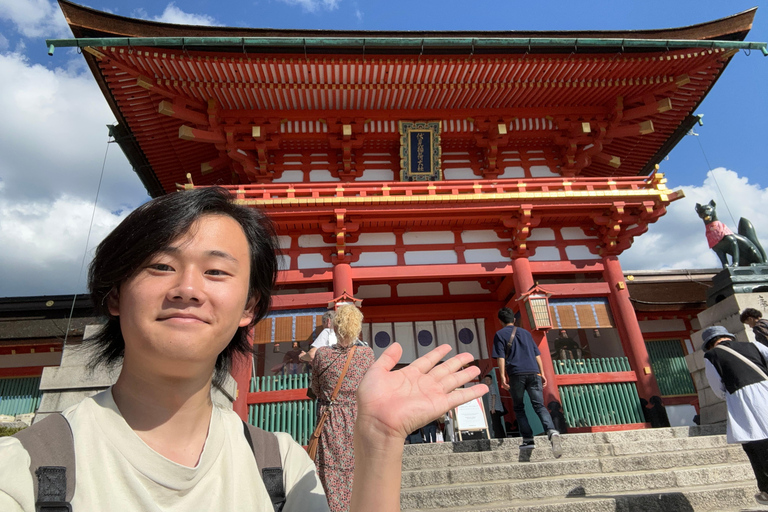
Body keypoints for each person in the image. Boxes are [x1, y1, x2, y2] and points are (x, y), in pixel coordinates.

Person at [0, 187, 489, 512]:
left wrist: (381, 439)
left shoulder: (280, 464)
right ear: (113, 294)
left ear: (249, 307)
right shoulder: (24, 470)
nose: (188, 288)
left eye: (216, 272)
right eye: (160, 266)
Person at [311, 305, 374, 512]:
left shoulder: (322, 355)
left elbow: (316, 390)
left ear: (335, 328)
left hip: (330, 418)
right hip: (358, 418)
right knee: (358, 468)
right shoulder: (367, 355)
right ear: (357, 328)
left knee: (331, 471)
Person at [701, 325, 768, 506]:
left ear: (709, 345)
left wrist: (733, 395)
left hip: (744, 403)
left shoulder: (712, 356)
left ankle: (766, 490)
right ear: (728, 337)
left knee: (757, 447)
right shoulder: (755, 346)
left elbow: (718, 389)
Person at [492, 307, 562, 457]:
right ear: (514, 319)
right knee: (539, 405)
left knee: (519, 407)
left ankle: (528, 439)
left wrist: (503, 376)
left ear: (500, 321)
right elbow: (537, 354)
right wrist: (541, 372)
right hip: (533, 372)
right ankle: (551, 431)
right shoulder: (526, 333)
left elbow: (501, 357)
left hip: (517, 374)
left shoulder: (499, 334)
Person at [482, 374, 506, 438]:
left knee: (496, 424)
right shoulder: (490, 387)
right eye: (486, 380)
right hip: (495, 408)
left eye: (488, 379)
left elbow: (493, 396)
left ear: (491, 380)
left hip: (495, 408)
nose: (487, 381)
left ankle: (498, 436)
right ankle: (502, 436)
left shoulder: (492, 386)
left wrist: (493, 408)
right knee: (498, 423)